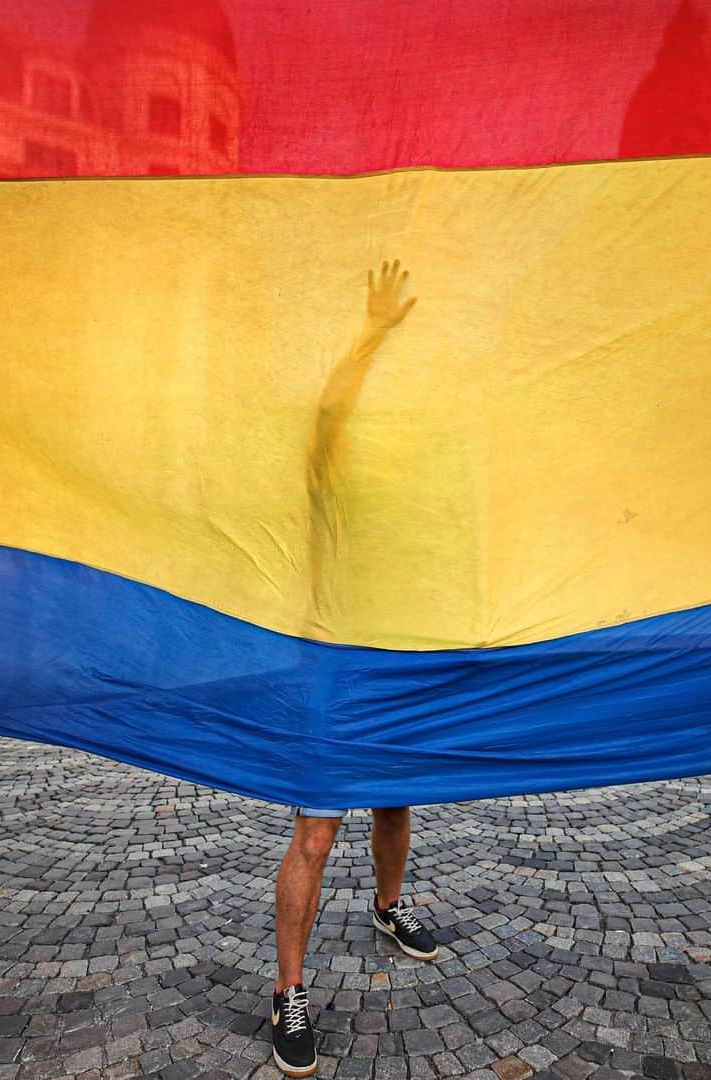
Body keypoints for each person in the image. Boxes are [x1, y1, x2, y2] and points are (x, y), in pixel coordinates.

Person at [271, 263, 437, 1078]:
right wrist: (372, 336)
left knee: (396, 801)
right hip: (332, 667)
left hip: (393, 660)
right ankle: (289, 992)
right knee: (317, 829)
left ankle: (388, 907)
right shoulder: (326, 480)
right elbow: (331, 411)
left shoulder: (401, 510)